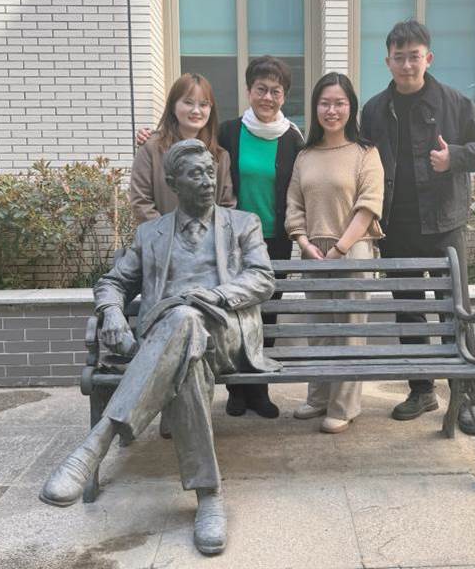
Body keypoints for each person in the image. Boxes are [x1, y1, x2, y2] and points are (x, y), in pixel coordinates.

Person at [39, 139, 277, 556]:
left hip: (226, 333)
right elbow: (113, 282)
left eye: (210, 172)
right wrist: (112, 313)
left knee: (185, 320)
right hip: (176, 342)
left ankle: (99, 441)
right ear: (172, 182)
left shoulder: (243, 224)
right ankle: (208, 496)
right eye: (195, 174)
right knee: (187, 357)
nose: (207, 181)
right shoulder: (151, 233)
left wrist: (216, 295)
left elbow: (262, 278)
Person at [136, 56, 304, 420]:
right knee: (224, 314)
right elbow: (145, 196)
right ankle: (235, 393)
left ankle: (258, 389)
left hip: (269, 237)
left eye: (276, 91)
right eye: (261, 89)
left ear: (284, 95)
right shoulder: (229, 132)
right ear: (248, 91)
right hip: (217, 243)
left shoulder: (292, 138)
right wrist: (170, 236)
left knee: (264, 313)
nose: (268, 97)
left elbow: (238, 196)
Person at [360, 19, 475, 433]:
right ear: (387, 61)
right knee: (408, 312)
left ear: (428, 58)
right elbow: (360, 159)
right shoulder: (374, 110)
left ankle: (464, 399)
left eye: (414, 56)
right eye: (399, 57)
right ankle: (422, 390)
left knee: (455, 313)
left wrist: (455, 157)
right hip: (397, 228)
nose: (407, 65)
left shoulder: (454, 103)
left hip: (445, 226)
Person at [285, 72, 384, 434]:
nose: (332, 110)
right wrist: (302, 241)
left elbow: (369, 205)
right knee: (319, 328)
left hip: (352, 248)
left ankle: (344, 406)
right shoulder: (305, 155)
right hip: (313, 250)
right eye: (325, 103)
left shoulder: (365, 153)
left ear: (351, 107)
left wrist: (341, 247)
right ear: (315, 108)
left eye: (339, 103)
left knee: (349, 330)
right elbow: (294, 204)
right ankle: (319, 397)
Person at [130, 73, 236, 224]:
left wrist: (204, 234)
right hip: (161, 236)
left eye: (204, 104)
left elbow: (227, 205)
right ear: (173, 106)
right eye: (188, 102)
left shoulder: (220, 155)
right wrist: (170, 233)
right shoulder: (151, 148)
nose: (196, 111)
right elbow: (141, 202)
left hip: (209, 238)